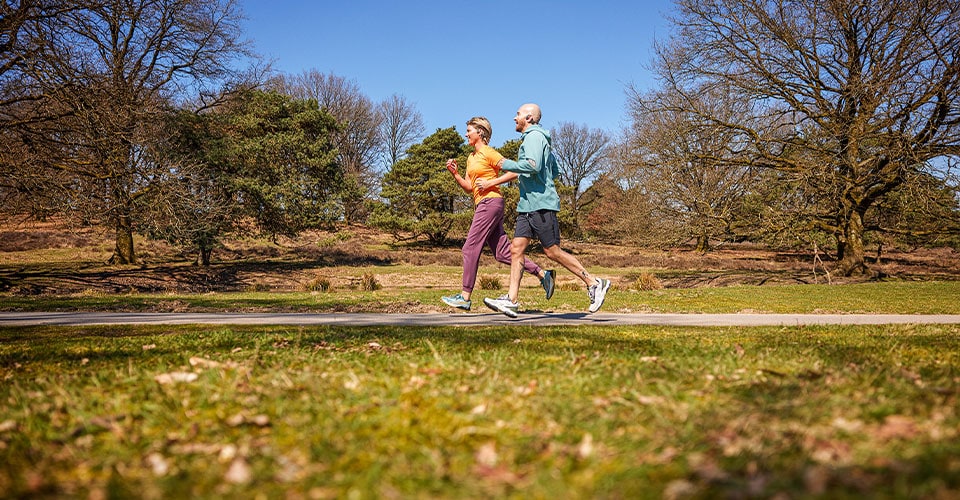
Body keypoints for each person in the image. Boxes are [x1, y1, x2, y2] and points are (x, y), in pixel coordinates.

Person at [483, 104, 610, 318]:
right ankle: (511, 300)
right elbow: (555, 171)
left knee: (552, 252)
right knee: (516, 250)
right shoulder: (539, 140)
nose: (515, 118)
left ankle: (594, 282)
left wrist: (505, 163)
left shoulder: (534, 137)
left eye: (518, 114)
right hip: (527, 205)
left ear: (529, 118)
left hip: (541, 205)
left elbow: (532, 165)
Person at [440, 116, 555, 311]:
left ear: (480, 133)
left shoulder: (488, 153)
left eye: (469, 130)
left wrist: (491, 183)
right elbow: (469, 187)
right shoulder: (471, 157)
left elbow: (516, 170)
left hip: (490, 202)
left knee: (470, 248)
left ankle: (465, 296)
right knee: (502, 253)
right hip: (483, 204)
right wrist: (456, 174)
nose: (466, 134)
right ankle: (543, 274)